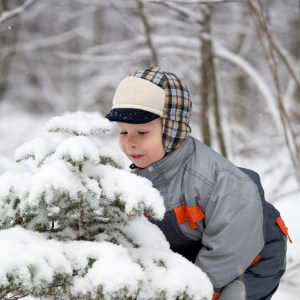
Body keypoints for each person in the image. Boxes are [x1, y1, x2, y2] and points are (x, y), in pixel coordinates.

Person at [105, 67, 291, 300]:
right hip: (196, 251)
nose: (130, 143)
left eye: (142, 132)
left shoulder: (219, 182)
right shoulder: (138, 178)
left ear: (172, 129)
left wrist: (193, 291)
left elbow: (230, 251)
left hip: (252, 258)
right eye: (123, 132)